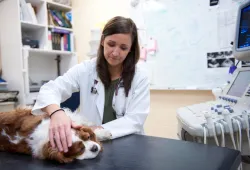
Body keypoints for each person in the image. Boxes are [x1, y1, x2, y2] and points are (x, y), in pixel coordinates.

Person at [31, 16, 150, 153]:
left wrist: (97, 130)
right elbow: (50, 89)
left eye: (123, 48)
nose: (115, 52)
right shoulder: (86, 70)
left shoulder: (139, 77)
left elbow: (135, 120)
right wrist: (57, 113)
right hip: (91, 146)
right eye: (111, 44)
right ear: (102, 41)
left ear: (130, 49)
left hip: (129, 145)